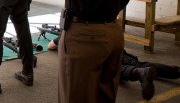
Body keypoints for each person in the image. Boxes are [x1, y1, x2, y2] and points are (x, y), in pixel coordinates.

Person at [48, 36, 179, 100]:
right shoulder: (104, 23)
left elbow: (50, 46)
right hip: (118, 50)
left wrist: (60, 35)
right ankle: (176, 71)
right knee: (141, 64)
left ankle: (139, 73)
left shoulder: (72, 34)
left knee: (116, 70)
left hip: (102, 59)